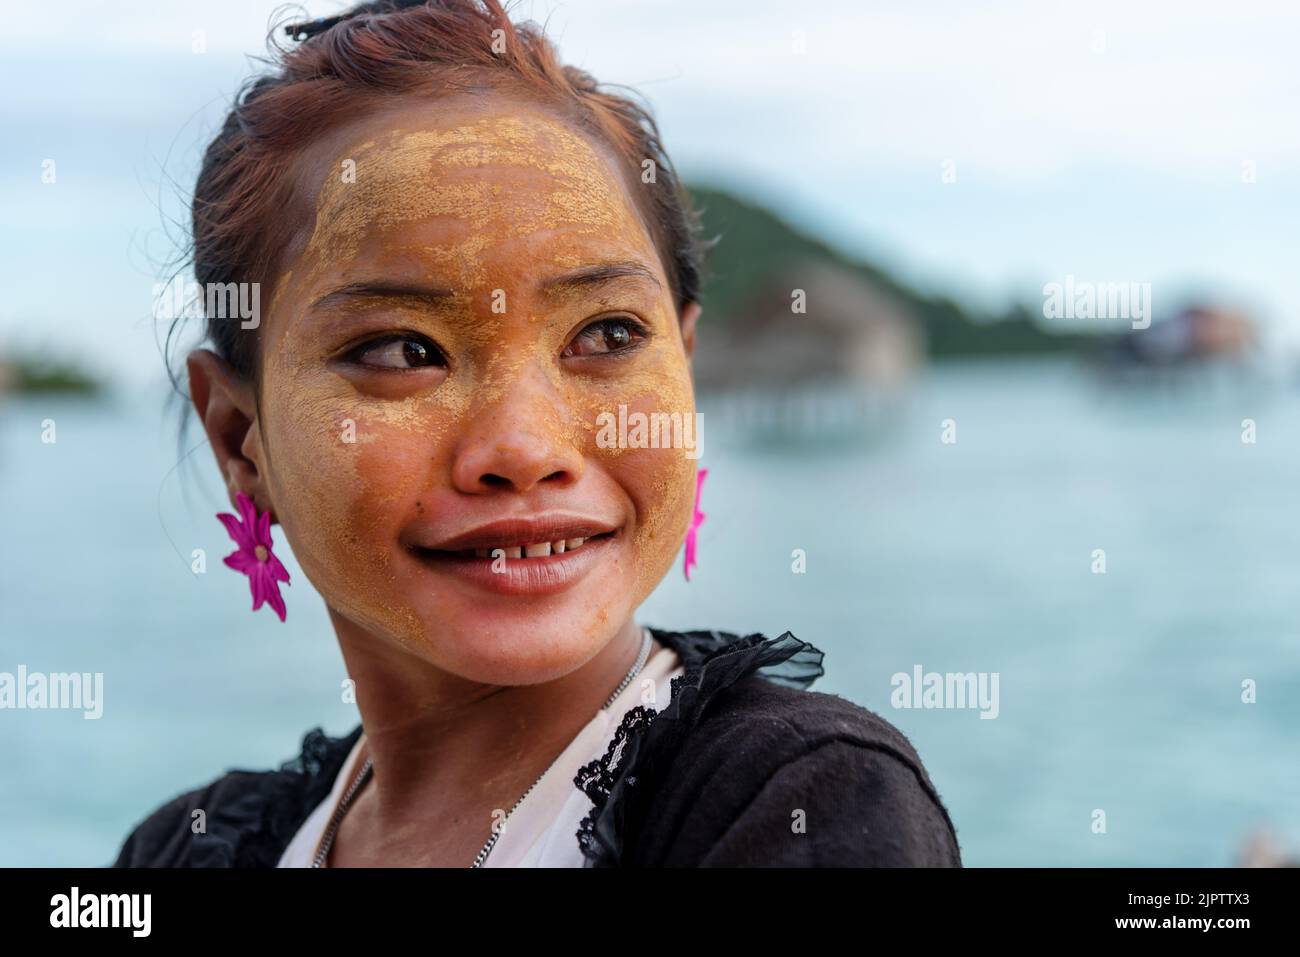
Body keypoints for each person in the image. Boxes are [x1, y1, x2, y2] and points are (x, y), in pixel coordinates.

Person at [113, 0, 962, 868]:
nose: (524, 447)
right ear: (237, 437)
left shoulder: (796, 801)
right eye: (405, 350)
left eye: (607, 335)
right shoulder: (186, 850)